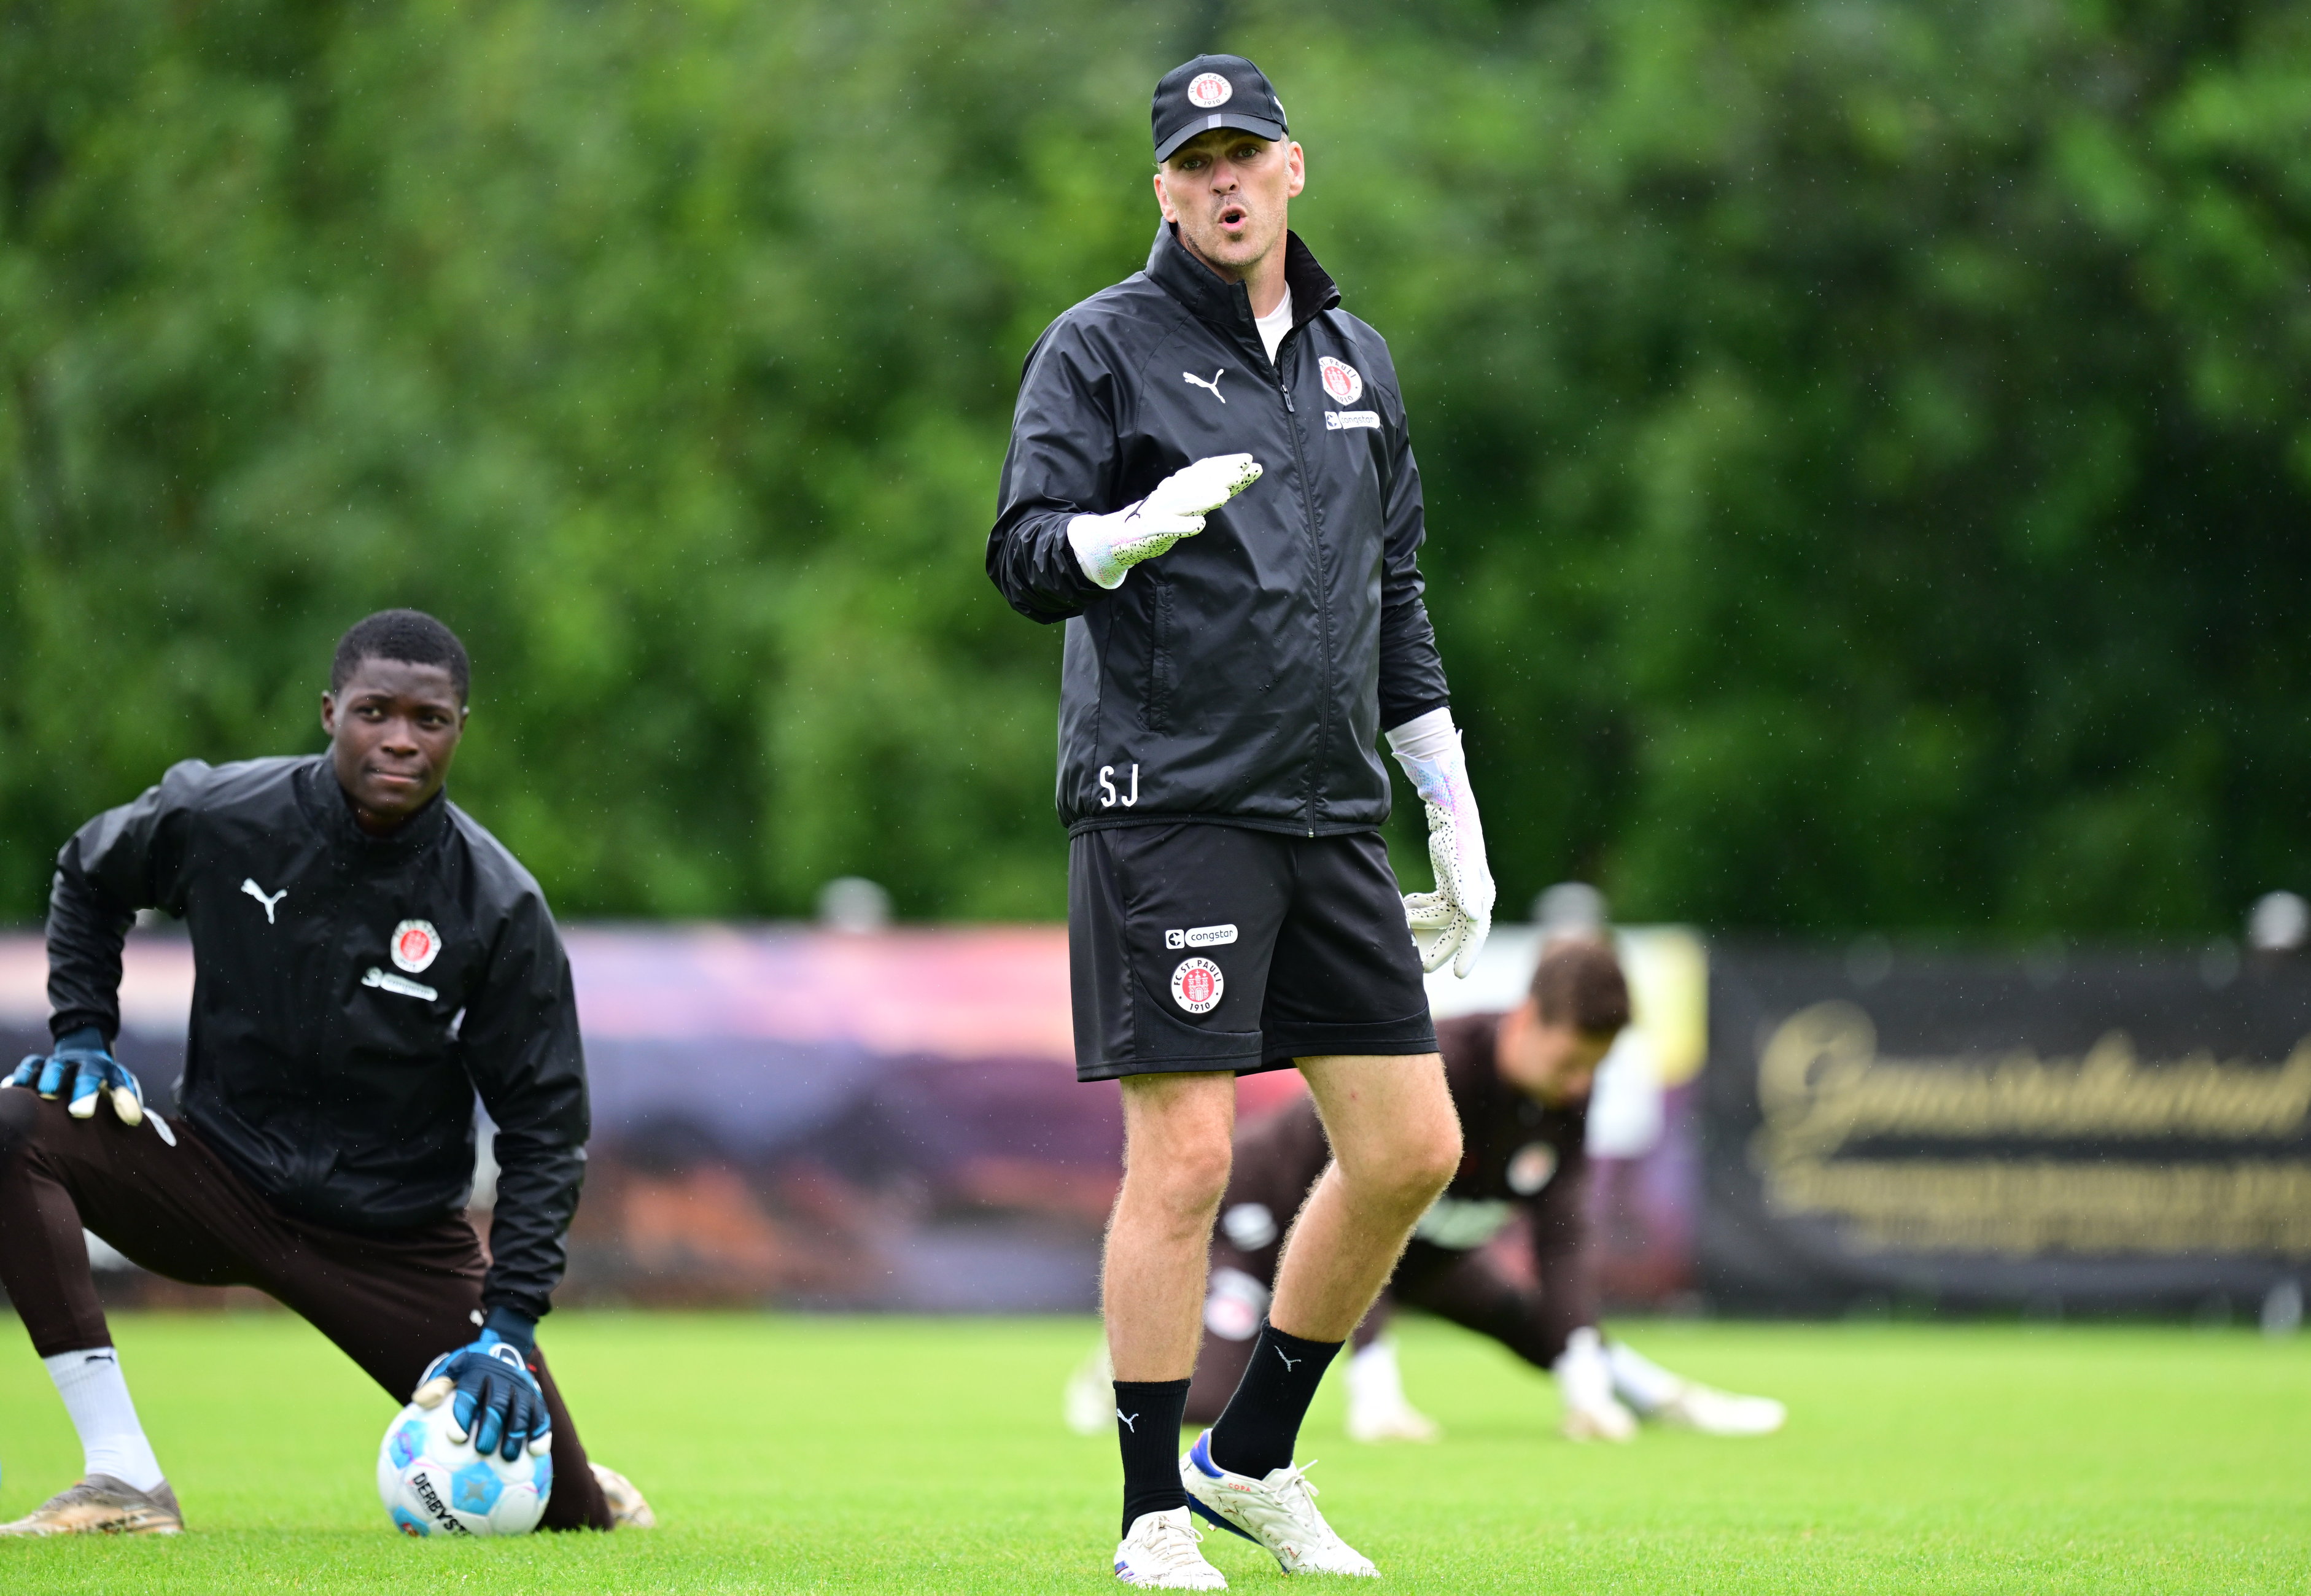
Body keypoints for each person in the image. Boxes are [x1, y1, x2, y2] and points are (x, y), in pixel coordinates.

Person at [988, 53, 1493, 1589]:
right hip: (1168, 801)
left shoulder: (1355, 358)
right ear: (1161, 188)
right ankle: (1150, 1511)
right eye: (1190, 160)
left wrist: (1446, 799)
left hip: (1329, 810)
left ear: (1291, 169)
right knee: (1188, 1158)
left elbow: (1391, 592)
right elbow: (1018, 555)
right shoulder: (1099, 348)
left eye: (1243, 153)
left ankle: (1250, 1460)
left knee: (1410, 1147)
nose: (1219, 180)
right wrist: (1110, 536)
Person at [0, 610, 652, 1536]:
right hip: (213, 1179)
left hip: (393, 1240)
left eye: (428, 720)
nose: (399, 739)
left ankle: (584, 1484)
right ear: (329, 711)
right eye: (374, 711)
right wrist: (82, 1034)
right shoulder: (224, 817)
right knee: (17, 1122)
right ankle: (122, 1482)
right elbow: (88, 873)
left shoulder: (498, 906)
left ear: (460, 729)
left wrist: (508, 1328)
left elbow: (546, 1130)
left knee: (570, 1524)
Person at [1175, 938, 1785, 1446]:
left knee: (1536, 1321)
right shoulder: (1436, 1064)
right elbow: (1359, 1217)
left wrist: (1583, 1390)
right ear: (1526, 1020)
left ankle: (1663, 1395)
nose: (1578, 1083)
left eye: (1592, 1068)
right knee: (1208, 1401)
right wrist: (1375, 1386)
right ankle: (1139, 1362)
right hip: (1260, 1225)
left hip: (1414, 1249)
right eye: (1569, 1060)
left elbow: (1563, 1236)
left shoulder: (1568, 1095)